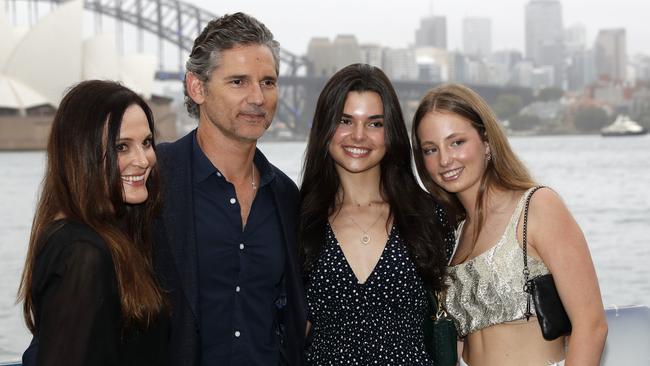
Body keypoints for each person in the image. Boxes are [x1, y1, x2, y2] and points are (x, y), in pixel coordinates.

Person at [411, 83, 608, 366]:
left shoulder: (536, 207)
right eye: (430, 150)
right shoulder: (451, 233)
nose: (444, 159)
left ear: (487, 142)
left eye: (457, 142)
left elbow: (591, 326)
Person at [153, 12, 306, 366]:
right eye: (238, 82)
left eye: (268, 82)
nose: (258, 98)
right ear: (197, 87)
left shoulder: (286, 196)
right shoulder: (155, 180)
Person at [299, 63, 453, 365]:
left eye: (374, 123)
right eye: (345, 120)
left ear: (391, 132)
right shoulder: (298, 221)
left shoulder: (429, 217)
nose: (358, 136)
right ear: (324, 128)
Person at [17, 80, 168, 366]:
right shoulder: (83, 253)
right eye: (121, 147)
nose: (144, 159)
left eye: (147, 142)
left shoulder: (108, 236)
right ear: (81, 154)